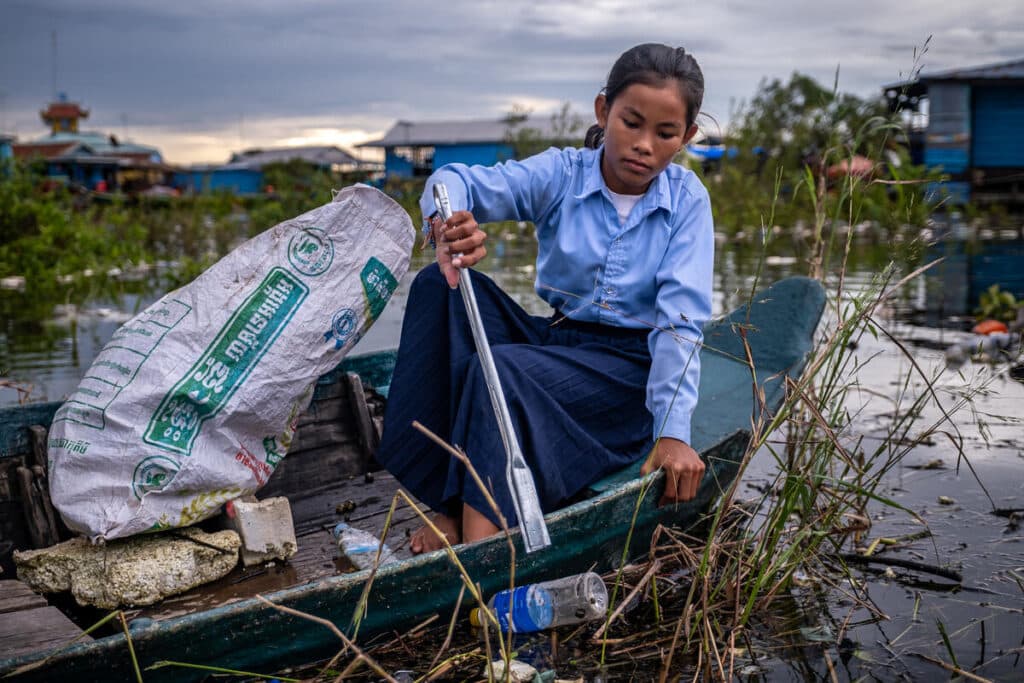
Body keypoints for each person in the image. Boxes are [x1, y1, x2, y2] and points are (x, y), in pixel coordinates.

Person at [376, 43, 714, 554]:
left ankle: (483, 551)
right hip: (560, 342)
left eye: (665, 134)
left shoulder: (686, 201)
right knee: (437, 287)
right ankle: (449, 502)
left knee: (504, 372)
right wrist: (450, 221)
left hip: (626, 375)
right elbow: (455, 180)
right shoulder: (563, 173)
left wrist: (672, 432)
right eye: (631, 122)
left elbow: (679, 324)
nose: (645, 145)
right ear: (604, 112)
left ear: (686, 137)